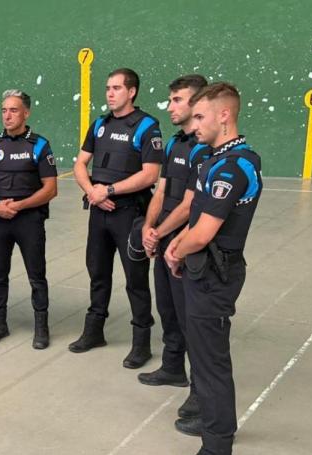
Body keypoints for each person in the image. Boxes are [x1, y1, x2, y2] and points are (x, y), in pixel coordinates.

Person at [164, 82, 263, 455]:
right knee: (204, 360)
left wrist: (176, 250)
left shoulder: (233, 166)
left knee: (211, 365)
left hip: (214, 274)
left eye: (201, 116)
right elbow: (194, 217)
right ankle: (209, 417)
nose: (194, 122)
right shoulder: (213, 158)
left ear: (225, 115)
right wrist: (180, 243)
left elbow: (204, 233)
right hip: (201, 269)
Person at [70, 68, 163, 368]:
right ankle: (94, 331)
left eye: (116, 88)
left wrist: (108, 189)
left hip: (130, 213)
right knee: (97, 273)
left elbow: (150, 174)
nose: (110, 93)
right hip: (99, 212)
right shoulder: (99, 124)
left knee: (135, 279)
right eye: (108, 88)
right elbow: (81, 164)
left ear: (132, 91)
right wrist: (93, 192)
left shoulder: (147, 126)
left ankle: (142, 342)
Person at [138, 75, 211, 418]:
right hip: (164, 239)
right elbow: (163, 190)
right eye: (171, 99)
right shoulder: (173, 145)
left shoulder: (203, 149)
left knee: (189, 317)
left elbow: (189, 204)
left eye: (178, 100)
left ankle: (200, 390)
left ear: (197, 104)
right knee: (167, 309)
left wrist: (160, 232)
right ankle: (171, 367)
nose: (171, 106)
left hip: (187, 246)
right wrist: (149, 228)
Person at [0, 89, 58, 349]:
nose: (7, 116)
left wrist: (18, 205)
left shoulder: (40, 144)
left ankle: (41, 327)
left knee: (36, 276)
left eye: (13, 110)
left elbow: (50, 189)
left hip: (29, 220)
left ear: (26, 113)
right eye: (4, 110)